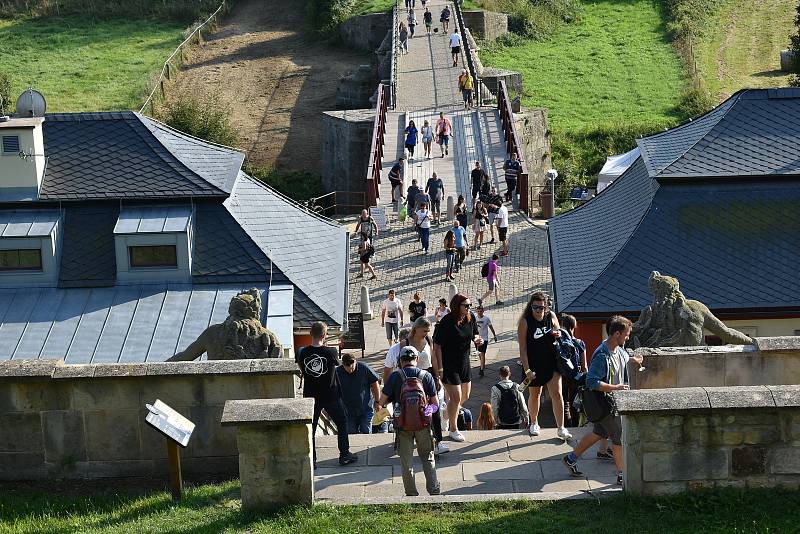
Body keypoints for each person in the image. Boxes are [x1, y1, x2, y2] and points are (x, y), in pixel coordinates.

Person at [563, 316, 643, 486]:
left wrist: (634, 360)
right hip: (607, 404)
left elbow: (624, 357)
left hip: (611, 403)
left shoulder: (618, 349)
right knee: (618, 436)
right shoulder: (601, 355)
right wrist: (616, 388)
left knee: (599, 432)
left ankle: (571, 458)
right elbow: (592, 382)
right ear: (616, 334)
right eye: (626, 335)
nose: (627, 338)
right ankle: (622, 474)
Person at [378, 346, 441, 496]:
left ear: (400, 361)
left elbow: (381, 402)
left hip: (403, 426)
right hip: (423, 426)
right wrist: (425, 414)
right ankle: (434, 490)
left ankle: (411, 493)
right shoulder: (426, 376)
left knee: (406, 462)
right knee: (427, 457)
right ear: (417, 359)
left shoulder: (394, 377)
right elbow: (436, 405)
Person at [383, 318, 449, 455]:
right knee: (403, 407)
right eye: (424, 330)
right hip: (409, 378)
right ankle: (403, 436)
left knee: (433, 407)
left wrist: (437, 377)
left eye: (428, 330)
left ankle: (436, 437)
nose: (426, 333)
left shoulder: (429, 340)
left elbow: (434, 359)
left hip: (426, 377)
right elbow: (401, 363)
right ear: (416, 328)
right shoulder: (405, 343)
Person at [296, 321, 357, 465]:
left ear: (310, 334)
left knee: (311, 428)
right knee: (342, 422)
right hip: (331, 395)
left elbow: (302, 367)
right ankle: (344, 454)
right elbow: (337, 364)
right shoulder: (331, 352)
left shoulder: (302, 352)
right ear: (325, 335)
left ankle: (312, 460)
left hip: (311, 396)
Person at [518, 292, 572, 440]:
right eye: (535, 307)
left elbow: (558, 331)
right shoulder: (525, 321)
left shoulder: (551, 316)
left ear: (545, 307)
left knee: (557, 394)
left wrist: (558, 334)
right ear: (531, 307)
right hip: (534, 364)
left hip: (552, 362)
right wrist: (527, 369)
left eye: (541, 308)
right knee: (535, 394)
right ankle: (534, 422)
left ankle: (561, 427)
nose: (538, 311)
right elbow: (522, 349)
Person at [432, 293, 482, 442]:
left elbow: (475, 334)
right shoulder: (446, 322)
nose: (468, 308)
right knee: (456, 397)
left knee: (465, 396)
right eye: (465, 305)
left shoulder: (470, 317)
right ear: (457, 306)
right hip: (449, 364)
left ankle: (445, 414)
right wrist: (440, 369)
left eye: (469, 305)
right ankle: (453, 429)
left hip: (464, 363)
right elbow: (437, 346)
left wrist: (477, 339)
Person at [336, 353, 381, 434]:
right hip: (348, 411)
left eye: (352, 366)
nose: (350, 369)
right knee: (351, 433)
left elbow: (375, 383)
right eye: (347, 367)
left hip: (365, 408)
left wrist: (377, 401)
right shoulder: (338, 372)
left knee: (366, 432)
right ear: (343, 364)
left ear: (355, 362)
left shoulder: (364, 368)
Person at [559, 314, 587, 428]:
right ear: (574, 326)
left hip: (562, 376)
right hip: (576, 377)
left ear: (562, 325)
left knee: (564, 403)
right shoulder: (580, 343)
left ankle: (566, 425)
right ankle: (575, 427)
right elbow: (584, 365)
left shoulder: (560, 342)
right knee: (574, 403)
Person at [474, 302, 497, 377]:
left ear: (483, 311)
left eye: (481, 311)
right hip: (476, 339)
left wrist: (494, 335)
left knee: (482, 353)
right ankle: (482, 364)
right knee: (479, 353)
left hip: (484, 339)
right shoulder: (474, 318)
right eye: (478, 311)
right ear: (476, 311)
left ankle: (481, 369)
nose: (479, 312)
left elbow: (491, 327)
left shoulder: (486, 319)